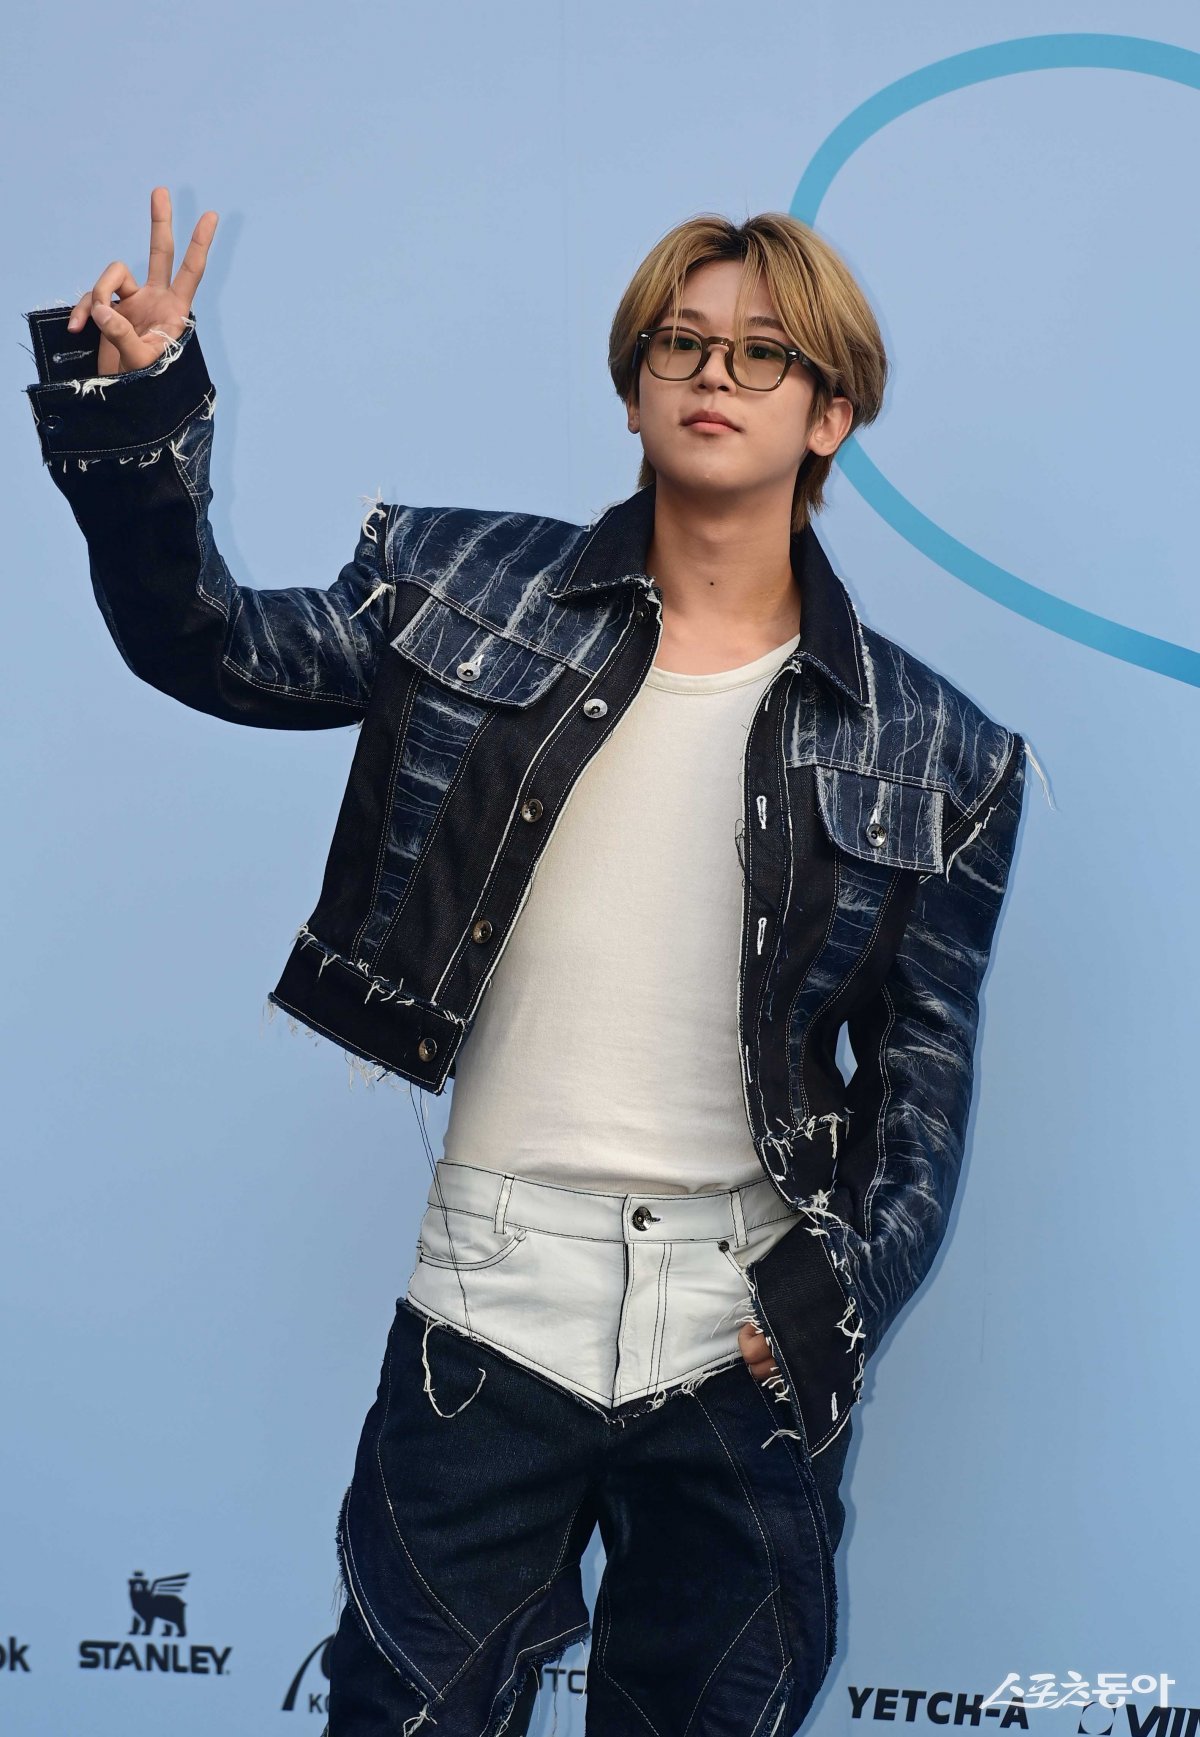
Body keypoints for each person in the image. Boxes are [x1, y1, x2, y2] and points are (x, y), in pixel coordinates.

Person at [25, 189, 1029, 1736]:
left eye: (764, 352)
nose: (715, 370)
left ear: (831, 414)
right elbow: (210, 642)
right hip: (492, 1302)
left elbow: (922, 1087)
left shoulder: (940, 750)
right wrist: (142, 412)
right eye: (681, 341)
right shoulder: (461, 586)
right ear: (634, 386)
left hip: (742, 1332)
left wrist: (837, 1302)